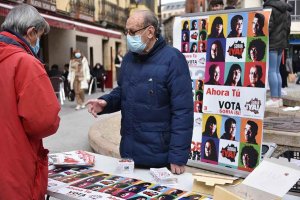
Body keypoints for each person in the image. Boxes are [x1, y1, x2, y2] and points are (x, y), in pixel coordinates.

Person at [86, 10, 193, 175]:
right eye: (126, 31)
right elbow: (123, 91)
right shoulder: (129, 59)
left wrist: (178, 156)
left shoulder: (173, 60)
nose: (128, 36)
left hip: (160, 159)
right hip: (129, 156)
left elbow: (183, 112)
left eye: (132, 31)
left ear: (150, 32)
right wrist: (106, 102)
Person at [0, 4, 60, 199]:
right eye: (40, 37)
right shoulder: (25, 63)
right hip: (15, 167)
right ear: (31, 32)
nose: (39, 43)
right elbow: (44, 122)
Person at [264, 0, 291, 107]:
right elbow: (288, 29)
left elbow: (267, 27)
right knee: (276, 70)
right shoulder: (286, 11)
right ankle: (278, 98)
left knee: (271, 71)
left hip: (272, 43)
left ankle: (274, 99)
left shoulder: (269, 8)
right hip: (282, 43)